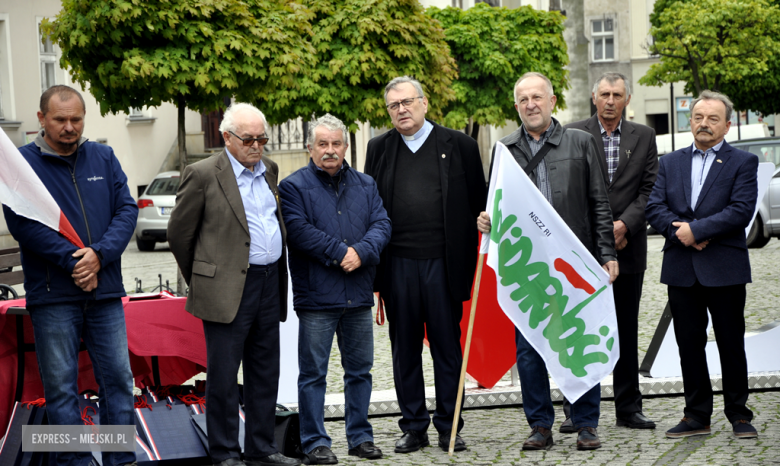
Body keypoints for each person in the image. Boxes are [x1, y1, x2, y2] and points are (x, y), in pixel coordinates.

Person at [476, 72, 618, 451]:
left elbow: (599, 203)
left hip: (575, 263)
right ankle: (539, 424)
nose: (530, 105)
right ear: (516, 106)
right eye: (523, 100)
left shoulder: (581, 142)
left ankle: (586, 422)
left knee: (578, 338)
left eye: (537, 97)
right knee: (529, 347)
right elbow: (496, 206)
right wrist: (486, 220)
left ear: (552, 101)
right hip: (530, 269)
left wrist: (607, 254)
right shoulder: (503, 150)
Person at [2, 85, 138, 466]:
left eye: (76, 119)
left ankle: (119, 459)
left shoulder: (104, 156)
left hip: (105, 291)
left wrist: (99, 255)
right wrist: (75, 262)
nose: (69, 127)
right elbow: (22, 223)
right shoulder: (21, 165)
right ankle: (71, 462)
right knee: (61, 388)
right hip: (53, 295)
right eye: (60, 119)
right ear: (41, 118)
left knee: (118, 382)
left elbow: (126, 211)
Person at [167, 103, 299, 466]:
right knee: (224, 375)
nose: (257, 146)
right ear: (227, 137)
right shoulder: (203, 173)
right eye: (249, 139)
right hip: (226, 288)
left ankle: (262, 447)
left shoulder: (269, 170)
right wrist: (205, 276)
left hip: (269, 281)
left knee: (264, 369)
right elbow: (180, 234)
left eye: (262, 139)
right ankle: (224, 452)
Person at [364, 76, 487, 453]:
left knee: (448, 349)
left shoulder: (461, 145)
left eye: (407, 102)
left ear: (424, 102)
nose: (401, 110)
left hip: (444, 264)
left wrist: (484, 219)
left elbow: (478, 203)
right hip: (397, 264)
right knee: (404, 350)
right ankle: (413, 426)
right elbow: (370, 205)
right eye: (393, 105)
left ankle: (451, 424)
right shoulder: (378, 148)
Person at [278, 114, 391, 464]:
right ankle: (315, 442)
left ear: (345, 146)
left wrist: (362, 252)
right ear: (309, 147)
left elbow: (382, 224)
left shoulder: (366, 184)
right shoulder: (292, 187)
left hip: (358, 294)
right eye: (322, 144)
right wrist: (342, 253)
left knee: (360, 371)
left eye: (336, 143)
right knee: (314, 375)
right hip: (317, 298)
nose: (330, 150)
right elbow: (297, 231)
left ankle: (360, 437)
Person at [645, 90, 759, 440]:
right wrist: (682, 233)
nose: (704, 124)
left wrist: (696, 229)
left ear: (727, 124)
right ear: (689, 121)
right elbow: (654, 207)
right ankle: (696, 415)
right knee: (688, 344)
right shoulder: (670, 162)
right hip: (682, 268)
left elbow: (740, 210)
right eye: (698, 118)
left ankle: (739, 415)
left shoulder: (743, 162)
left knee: (730, 342)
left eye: (712, 119)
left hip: (724, 267)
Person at [562, 72, 659, 431]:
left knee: (625, 329)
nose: (610, 101)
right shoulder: (572, 133)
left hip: (628, 248)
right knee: (578, 329)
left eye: (617, 94)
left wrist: (624, 225)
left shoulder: (645, 136)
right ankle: (576, 409)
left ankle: (628, 407)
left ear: (627, 100)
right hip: (581, 250)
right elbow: (566, 187)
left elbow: (650, 189)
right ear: (593, 96)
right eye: (604, 93)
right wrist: (601, 231)